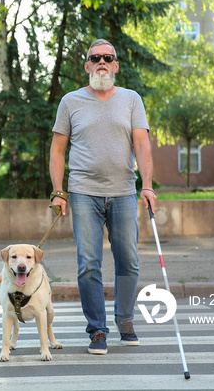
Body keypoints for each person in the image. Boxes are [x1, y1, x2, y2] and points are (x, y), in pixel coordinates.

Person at [49, 39, 157, 355]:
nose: (102, 63)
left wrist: (147, 185)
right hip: (83, 192)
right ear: (87, 66)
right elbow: (57, 149)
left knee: (129, 260)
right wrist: (59, 191)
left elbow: (142, 145)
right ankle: (97, 330)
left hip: (123, 192)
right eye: (95, 58)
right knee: (88, 263)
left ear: (116, 66)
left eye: (108, 58)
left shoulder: (131, 100)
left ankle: (125, 321)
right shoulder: (70, 101)